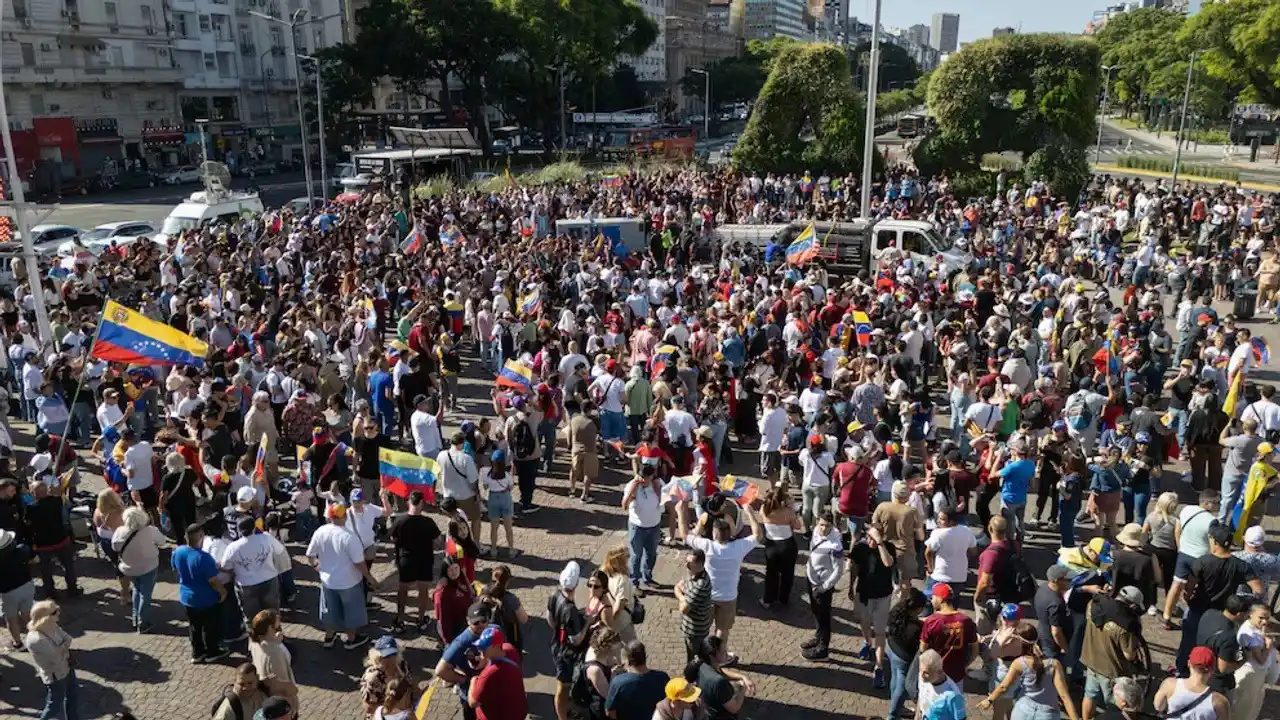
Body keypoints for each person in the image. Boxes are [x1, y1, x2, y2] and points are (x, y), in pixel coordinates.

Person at [678, 495, 764, 665]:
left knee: (703, 628)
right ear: (730, 533)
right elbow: (758, 535)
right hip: (728, 596)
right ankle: (720, 656)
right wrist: (749, 512)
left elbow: (684, 534)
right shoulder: (738, 547)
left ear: (714, 534)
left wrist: (681, 510)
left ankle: (703, 655)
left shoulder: (708, 547)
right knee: (722, 629)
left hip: (708, 594)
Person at [1175, 521, 1263, 676]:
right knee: (1215, 647)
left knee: (1189, 642)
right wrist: (1242, 602)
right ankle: (1207, 673)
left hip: (1198, 610)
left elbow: (1189, 587)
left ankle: (1182, 672)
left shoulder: (1202, 561)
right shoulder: (1240, 565)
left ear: (1215, 542)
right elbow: (1258, 589)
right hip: (1222, 613)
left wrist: (1187, 597)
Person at [304, 501, 375, 650]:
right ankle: (351, 639)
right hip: (349, 581)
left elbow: (310, 554)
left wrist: (316, 566)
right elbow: (359, 563)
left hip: (327, 581)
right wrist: (370, 578)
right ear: (345, 516)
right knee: (351, 611)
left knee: (329, 609)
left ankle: (329, 637)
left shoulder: (321, 531)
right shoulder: (350, 537)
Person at [980, 625, 1081, 720]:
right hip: (1047, 714)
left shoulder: (1018, 663)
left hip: (1022, 711)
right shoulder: (1054, 664)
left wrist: (989, 700)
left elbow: (1004, 686)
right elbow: (1064, 696)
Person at [1080, 588, 1146, 720]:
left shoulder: (1093, 605)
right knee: (1113, 706)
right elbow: (1129, 655)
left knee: (1089, 695)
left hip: (1091, 659)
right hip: (1111, 670)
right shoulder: (1125, 625)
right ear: (1132, 605)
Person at [172, 522, 228, 663]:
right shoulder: (204, 558)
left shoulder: (178, 551)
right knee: (210, 626)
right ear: (201, 536)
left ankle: (197, 653)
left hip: (187, 598)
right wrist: (223, 592)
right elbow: (213, 581)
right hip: (206, 599)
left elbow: (175, 568)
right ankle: (212, 652)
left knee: (194, 626)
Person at [387, 490, 441, 634]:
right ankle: (421, 619)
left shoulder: (400, 521)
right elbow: (438, 542)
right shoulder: (428, 522)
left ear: (408, 502)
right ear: (422, 503)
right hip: (424, 560)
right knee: (423, 590)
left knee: (403, 590)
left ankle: (399, 620)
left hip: (406, 560)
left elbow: (393, 538)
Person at [847, 522, 895, 682]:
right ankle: (867, 642)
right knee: (864, 622)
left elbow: (888, 563)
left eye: (873, 538)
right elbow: (854, 567)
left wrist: (880, 543)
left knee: (880, 632)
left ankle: (879, 667)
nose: (870, 541)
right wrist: (851, 586)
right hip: (864, 594)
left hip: (883, 596)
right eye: (868, 537)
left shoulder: (888, 547)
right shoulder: (860, 548)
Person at [111, 506, 168, 633]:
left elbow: (114, 547)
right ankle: (143, 622)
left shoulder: (119, 531)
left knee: (137, 589)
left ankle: (135, 618)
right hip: (148, 567)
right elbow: (163, 541)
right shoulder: (150, 531)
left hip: (129, 568)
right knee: (145, 595)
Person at [222, 515, 283, 628]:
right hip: (269, 580)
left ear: (239, 531)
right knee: (273, 613)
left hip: (246, 585)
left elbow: (225, 566)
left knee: (252, 617)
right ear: (254, 528)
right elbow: (279, 551)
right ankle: (276, 637)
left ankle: (256, 641)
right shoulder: (267, 538)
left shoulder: (233, 547)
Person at [436, 600, 493, 720]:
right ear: (468, 621)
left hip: (490, 691)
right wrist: (462, 679)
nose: (481, 625)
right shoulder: (461, 642)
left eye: (484, 621)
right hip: (471, 696)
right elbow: (440, 670)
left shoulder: (493, 631)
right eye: (476, 622)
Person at [802, 512, 844, 661]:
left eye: (827, 525)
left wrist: (824, 587)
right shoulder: (816, 531)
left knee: (823, 615)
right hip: (811, 579)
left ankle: (823, 648)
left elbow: (839, 570)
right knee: (815, 611)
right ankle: (818, 636)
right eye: (821, 524)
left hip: (822, 585)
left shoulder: (835, 545)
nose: (824, 528)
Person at [26, 599, 78, 720]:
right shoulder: (37, 639)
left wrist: (61, 648)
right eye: (55, 612)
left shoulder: (52, 625)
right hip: (56, 675)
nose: (59, 612)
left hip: (67, 666)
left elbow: (68, 638)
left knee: (73, 696)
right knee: (54, 705)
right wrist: (63, 648)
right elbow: (54, 657)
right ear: (45, 617)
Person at [872, 480, 924, 597]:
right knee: (905, 581)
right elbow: (920, 536)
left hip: (885, 548)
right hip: (905, 550)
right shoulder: (912, 511)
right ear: (907, 496)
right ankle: (903, 603)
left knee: (884, 576)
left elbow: (875, 525)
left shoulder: (882, 507)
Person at [684, 635, 755, 720]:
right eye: (723, 652)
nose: (727, 653)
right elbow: (734, 708)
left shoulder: (702, 663)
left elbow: (721, 672)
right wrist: (743, 688)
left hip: (705, 705)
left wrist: (742, 677)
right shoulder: (719, 682)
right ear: (712, 656)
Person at [920, 582, 978, 684]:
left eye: (933, 597)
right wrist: (965, 665)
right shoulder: (966, 620)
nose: (931, 600)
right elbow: (974, 650)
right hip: (957, 673)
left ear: (941, 599)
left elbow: (923, 648)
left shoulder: (932, 621)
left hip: (935, 672)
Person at [1154, 646, 1230, 720]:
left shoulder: (1169, 684)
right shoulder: (1219, 702)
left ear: (1189, 663)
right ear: (1212, 670)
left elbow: (1158, 707)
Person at [468, 626, 527, 720]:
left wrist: (473, 681)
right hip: (517, 712)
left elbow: (473, 702)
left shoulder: (489, 674)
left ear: (495, 646)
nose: (480, 651)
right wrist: (486, 660)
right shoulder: (510, 649)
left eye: (483, 648)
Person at [758, 484, 801, 609]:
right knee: (788, 574)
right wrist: (791, 507)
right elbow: (797, 526)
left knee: (771, 574)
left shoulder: (764, 510)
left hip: (771, 546)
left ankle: (768, 599)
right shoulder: (788, 512)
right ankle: (784, 598)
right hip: (787, 545)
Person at [886, 588, 926, 720]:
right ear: (918, 608)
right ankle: (893, 715)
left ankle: (896, 707)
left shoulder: (896, 612)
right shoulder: (915, 628)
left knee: (895, 678)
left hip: (891, 648)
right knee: (902, 688)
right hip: (904, 657)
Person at [623, 464, 663, 590]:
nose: (643, 480)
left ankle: (647, 578)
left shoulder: (658, 483)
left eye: (646, 477)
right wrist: (632, 490)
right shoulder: (632, 485)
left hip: (654, 525)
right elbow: (624, 505)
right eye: (641, 476)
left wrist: (659, 489)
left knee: (651, 554)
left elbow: (666, 500)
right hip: (637, 527)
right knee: (636, 555)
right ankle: (634, 583)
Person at [606, 641, 670, 720]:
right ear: (645, 657)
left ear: (628, 661)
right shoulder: (663, 677)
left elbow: (609, 712)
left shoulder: (618, 682)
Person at [924, 505, 976, 603]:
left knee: (932, 602)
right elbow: (973, 550)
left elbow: (928, 552)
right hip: (959, 576)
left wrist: (930, 569)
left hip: (940, 575)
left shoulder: (938, 533)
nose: (938, 521)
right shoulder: (966, 531)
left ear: (951, 521)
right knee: (953, 603)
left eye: (942, 519)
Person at [248, 609, 298, 707]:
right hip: (280, 702)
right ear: (270, 627)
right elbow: (283, 681)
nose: (279, 617)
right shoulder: (274, 653)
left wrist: (275, 640)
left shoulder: (255, 642)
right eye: (276, 618)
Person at [674, 548, 714, 663]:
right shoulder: (691, 571)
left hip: (696, 630)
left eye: (690, 562)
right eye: (686, 561)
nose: (686, 565)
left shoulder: (700, 585)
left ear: (700, 564)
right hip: (688, 627)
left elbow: (683, 609)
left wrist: (683, 596)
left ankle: (694, 677)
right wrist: (684, 598)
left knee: (694, 659)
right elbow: (676, 587)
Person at [361, 635, 410, 715]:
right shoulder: (373, 677)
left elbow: (410, 684)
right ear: (377, 656)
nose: (390, 659)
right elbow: (368, 708)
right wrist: (394, 708)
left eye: (393, 654)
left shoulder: (402, 665)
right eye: (386, 656)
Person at [481, 449, 517, 558]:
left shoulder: (487, 474)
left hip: (493, 498)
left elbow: (485, 487)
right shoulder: (507, 475)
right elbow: (510, 487)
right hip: (505, 498)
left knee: (494, 528)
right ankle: (511, 550)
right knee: (508, 527)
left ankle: (493, 550)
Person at [1034, 565, 1072, 660]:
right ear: (1056, 581)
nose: (1070, 581)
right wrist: (1066, 648)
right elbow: (1056, 632)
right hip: (1052, 644)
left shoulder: (1043, 588)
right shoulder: (1056, 604)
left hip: (1042, 632)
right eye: (1066, 579)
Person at [916, 648, 965, 719]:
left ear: (939, 672)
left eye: (926, 672)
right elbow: (921, 698)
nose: (921, 675)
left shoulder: (954, 696)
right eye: (920, 670)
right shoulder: (923, 678)